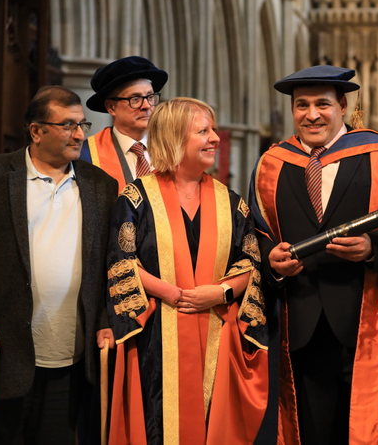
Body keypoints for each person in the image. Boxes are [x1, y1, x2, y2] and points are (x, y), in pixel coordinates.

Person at [248, 65, 378, 444]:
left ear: (342, 106)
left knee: (366, 426)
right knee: (310, 426)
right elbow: (255, 234)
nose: (311, 114)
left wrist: (372, 247)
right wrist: (270, 260)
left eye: (322, 104)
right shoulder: (271, 164)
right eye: (301, 105)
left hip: (366, 317)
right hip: (298, 319)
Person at [106, 97, 268, 445]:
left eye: (213, 130)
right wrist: (171, 293)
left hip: (215, 332)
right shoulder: (136, 198)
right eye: (203, 131)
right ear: (174, 138)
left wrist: (221, 293)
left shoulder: (231, 201)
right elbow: (121, 260)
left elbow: (250, 263)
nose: (215, 138)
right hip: (156, 338)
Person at [0, 86, 118, 443]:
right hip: (4, 350)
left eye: (82, 124)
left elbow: (109, 266)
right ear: (37, 131)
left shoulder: (101, 186)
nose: (80, 134)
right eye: (68, 125)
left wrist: (104, 321)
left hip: (71, 356)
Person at [81, 56, 168, 191]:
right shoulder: (87, 155)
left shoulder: (172, 148)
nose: (146, 105)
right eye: (135, 99)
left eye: (150, 97)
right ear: (111, 107)